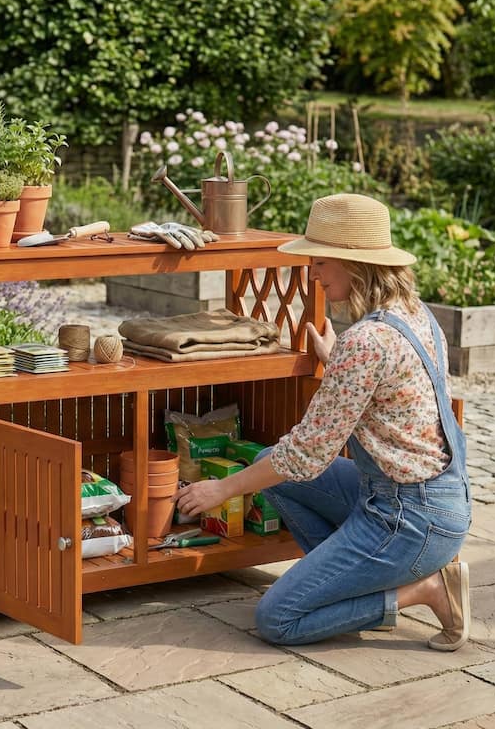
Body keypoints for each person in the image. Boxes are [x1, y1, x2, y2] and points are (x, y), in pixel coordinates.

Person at [173, 193, 472, 651]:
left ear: (353, 264)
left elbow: (306, 455)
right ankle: (352, 584)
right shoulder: (415, 315)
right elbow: (395, 394)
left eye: (319, 262)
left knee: (279, 619)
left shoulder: (368, 341)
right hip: (429, 500)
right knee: (271, 462)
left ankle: (425, 589)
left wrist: (223, 488)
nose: (311, 273)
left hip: (408, 520)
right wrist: (337, 361)